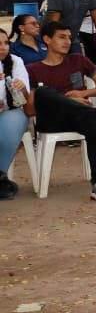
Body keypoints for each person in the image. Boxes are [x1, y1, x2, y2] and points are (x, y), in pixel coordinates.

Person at [26, 21, 96, 204]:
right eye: (61, 37)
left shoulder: (78, 60)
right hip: (51, 121)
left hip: (79, 118)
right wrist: (68, 99)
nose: (67, 41)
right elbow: (30, 109)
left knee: (91, 122)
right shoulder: (33, 69)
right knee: (43, 92)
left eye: (69, 38)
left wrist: (84, 93)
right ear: (47, 39)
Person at [0, 28, 32, 200]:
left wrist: (22, 88)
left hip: (11, 111)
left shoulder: (15, 61)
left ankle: (1, 174)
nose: (3, 47)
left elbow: (26, 100)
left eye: (6, 43)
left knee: (11, 124)